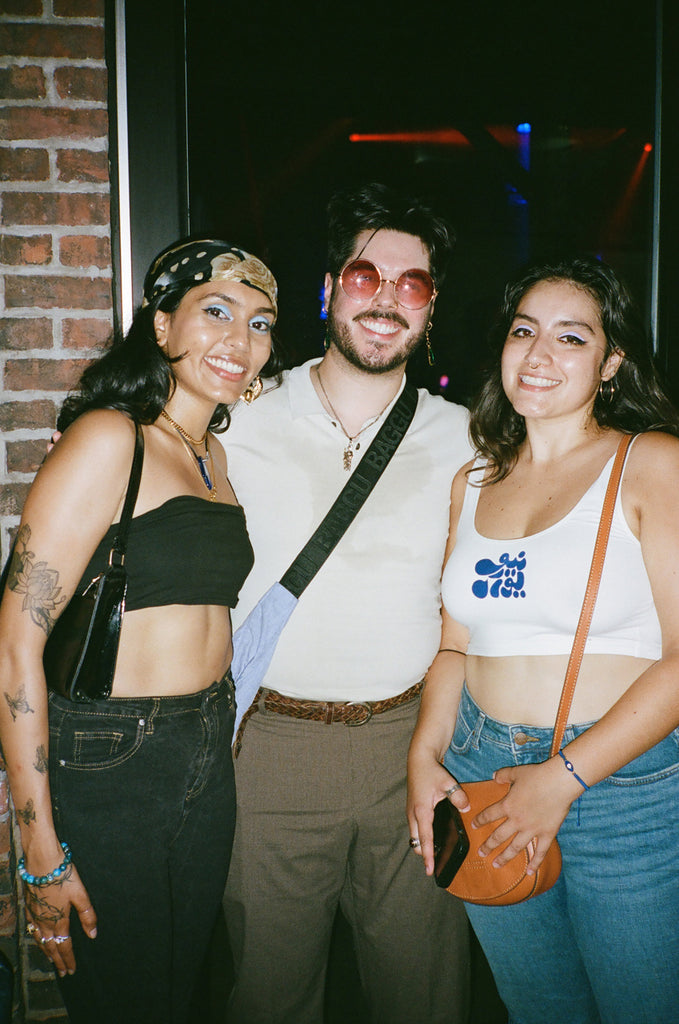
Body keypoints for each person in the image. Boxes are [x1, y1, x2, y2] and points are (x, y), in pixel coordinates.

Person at [0, 239, 279, 1024]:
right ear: (161, 327)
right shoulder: (108, 438)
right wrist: (39, 851)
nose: (240, 340)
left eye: (260, 324)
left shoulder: (213, 457)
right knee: (124, 999)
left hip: (204, 743)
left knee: (180, 989)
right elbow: (15, 643)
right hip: (109, 756)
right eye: (215, 312)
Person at [220, 183, 472, 1024]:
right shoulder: (238, 420)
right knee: (269, 992)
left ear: (430, 308)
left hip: (412, 747)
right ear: (330, 288)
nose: (388, 298)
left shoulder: (467, 439)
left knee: (425, 990)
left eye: (414, 284)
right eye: (367, 276)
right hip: (272, 751)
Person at [407, 255, 679, 1024]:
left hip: (615, 786)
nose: (538, 354)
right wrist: (423, 756)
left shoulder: (650, 463)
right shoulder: (476, 478)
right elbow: (454, 646)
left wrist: (561, 779)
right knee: (537, 1008)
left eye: (570, 337)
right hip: (481, 769)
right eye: (524, 330)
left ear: (611, 362)